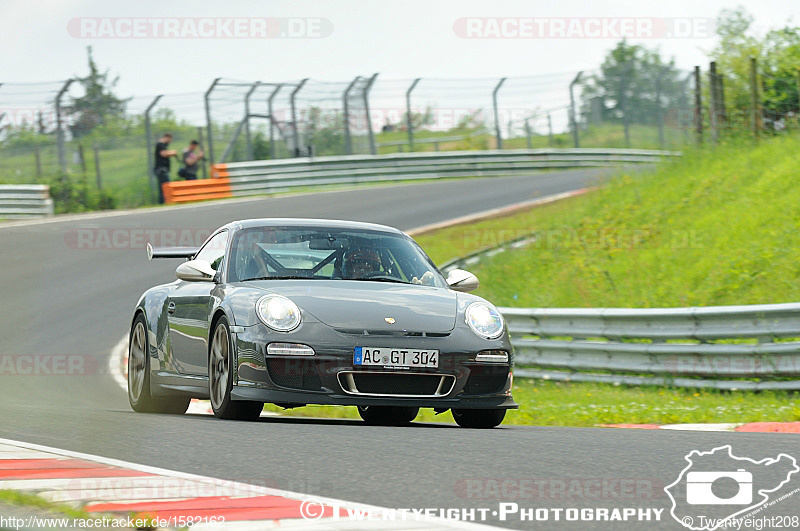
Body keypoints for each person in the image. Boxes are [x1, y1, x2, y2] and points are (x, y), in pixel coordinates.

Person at [153, 133, 177, 204]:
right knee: (165, 188)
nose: (169, 142)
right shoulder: (160, 144)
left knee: (163, 188)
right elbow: (163, 154)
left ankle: (164, 202)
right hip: (162, 170)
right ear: (167, 138)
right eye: (169, 140)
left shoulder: (162, 145)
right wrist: (172, 152)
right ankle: (164, 202)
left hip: (162, 170)